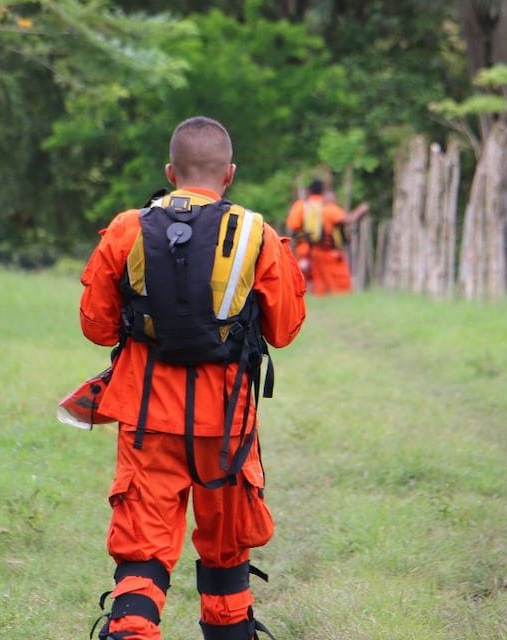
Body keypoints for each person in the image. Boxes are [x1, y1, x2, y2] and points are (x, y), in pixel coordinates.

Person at [78, 116, 307, 640]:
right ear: (228, 175)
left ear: (170, 171)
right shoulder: (257, 234)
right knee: (226, 549)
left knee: (142, 552)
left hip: (145, 419)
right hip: (226, 426)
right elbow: (285, 329)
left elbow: (96, 326)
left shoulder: (126, 229)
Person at [285, 178, 368, 296]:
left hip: (305, 251)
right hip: (328, 252)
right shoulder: (329, 209)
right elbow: (349, 219)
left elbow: (292, 227)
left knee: (310, 285)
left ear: (309, 191)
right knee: (342, 286)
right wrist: (362, 209)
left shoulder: (301, 206)